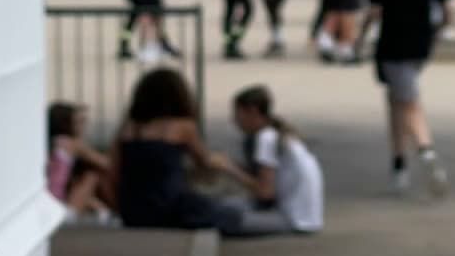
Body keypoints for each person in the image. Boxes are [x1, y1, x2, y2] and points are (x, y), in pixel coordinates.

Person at [109, 69, 292, 236]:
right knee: (232, 214)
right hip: (170, 208)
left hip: (133, 210)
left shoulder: (127, 130)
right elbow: (205, 162)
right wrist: (223, 164)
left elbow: (114, 171)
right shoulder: (183, 127)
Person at [368, 0, 450, 196]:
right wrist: (436, 34)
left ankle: (426, 152)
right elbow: (447, 10)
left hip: (392, 44)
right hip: (420, 44)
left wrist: (360, 37)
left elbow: (375, 10)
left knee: (408, 102)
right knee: (396, 101)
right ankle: (398, 163)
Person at [222, 85, 325, 234]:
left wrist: (229, 169)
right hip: (304, 216)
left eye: (238, 114)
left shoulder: (266, 138)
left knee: (219, 216)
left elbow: (265, 193)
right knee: (224, 205)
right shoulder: (273, 134)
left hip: (292, 219)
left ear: (252, 112)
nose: (234, 120)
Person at [47, 102, 112, 220]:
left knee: (77, 178)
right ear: (66, 124)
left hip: (47, 201)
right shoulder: (71, 144)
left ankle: (100, 209)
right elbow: (106, 164)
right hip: (58, 203)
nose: (83, 127)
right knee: (92, 175)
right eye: (79, 122)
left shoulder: (52, 142)